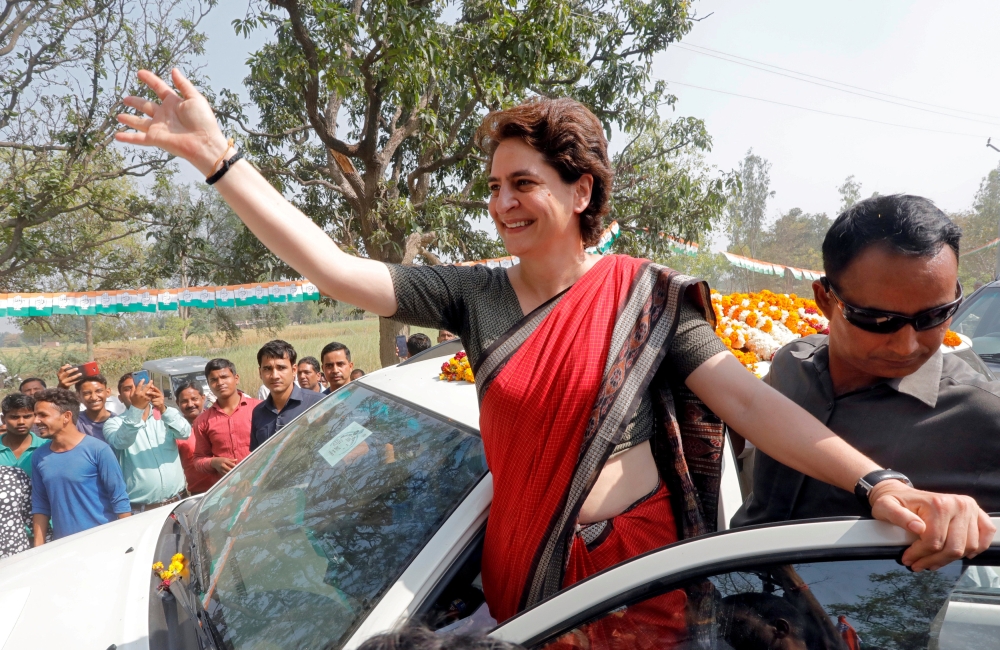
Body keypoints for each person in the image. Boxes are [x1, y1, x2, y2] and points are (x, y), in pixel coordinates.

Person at [119, 71, 994, 624]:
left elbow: (754, 405)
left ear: (581, 190)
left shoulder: (645, 298)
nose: (503, 203)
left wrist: (877, 481)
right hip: (523, 573)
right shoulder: (474, 295)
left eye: (524, 183)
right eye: (495, 186)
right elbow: (335, 269)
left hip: (637, 580)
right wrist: (218, 157)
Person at [732, 195, 1000, 527]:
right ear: (824, 299)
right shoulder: (791, 364)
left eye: (935, 315)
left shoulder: (982, 416)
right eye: (876, 320)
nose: (906, 346)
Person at [31, 388, 130, 543]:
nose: (36, 421)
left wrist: (127, 540)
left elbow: (119, 498)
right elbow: (40, 504)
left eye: (43, 415)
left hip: (103, 541)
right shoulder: (39, 456)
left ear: (66, 416)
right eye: (36, 415)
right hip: (62, 545)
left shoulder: (98, 450)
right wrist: (38, 547)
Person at [103, 374, 191, 513]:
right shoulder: (113, 423)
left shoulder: (166, 414)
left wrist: (162, 408)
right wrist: (137, 409)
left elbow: (185, 433)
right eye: (128, 389)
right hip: (143, 510)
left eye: (140, 386)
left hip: (179, 503)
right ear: (119, 398)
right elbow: (121, 442)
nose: (136, 391)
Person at [192, 359, 260, 488]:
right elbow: (198, 460)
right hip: (227, 492)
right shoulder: (202, 421)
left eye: (224, 377)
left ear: (236, 378)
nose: (220, 383)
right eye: (214, 380)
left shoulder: (259, 409)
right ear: (209, 384)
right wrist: (213, 462)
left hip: (262, 484)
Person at [250, 340, 323, 451]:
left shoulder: (318, 403)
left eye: (281, 368)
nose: (274, 376)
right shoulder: (258, 412)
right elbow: (258, 457)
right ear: (260, 373)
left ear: (294, 370)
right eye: (267, 369)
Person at [173, 382, 215, 495]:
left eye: (194, 399)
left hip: (228, 487)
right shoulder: (175, 431)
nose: (190, 404)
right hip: (199, 494)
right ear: (177, 403)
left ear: (203, 398)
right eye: (184, 401)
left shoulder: (216, 420)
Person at [0, 393, 44, 479]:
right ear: (3, 419)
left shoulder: (47, 447)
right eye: (14, 417)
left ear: (35, 417)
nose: (21, 422)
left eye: (27, 416)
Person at [73, 374, 113, 443]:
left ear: (107, 392)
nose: (94, 397)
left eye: (99, 391)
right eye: (87, 393)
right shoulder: (75, 421)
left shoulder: (119, 422)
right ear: (78, 396)